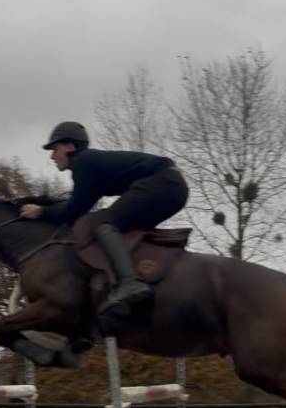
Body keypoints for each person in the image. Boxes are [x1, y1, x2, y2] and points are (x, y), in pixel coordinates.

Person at [19, 121, 188, 315]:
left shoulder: (83, 162)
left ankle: (130, 283)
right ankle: (145, 275)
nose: (52, 156)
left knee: (104, 226)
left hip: (162, 182)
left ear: (70, 147)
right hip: (173, 186)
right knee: (125, 232)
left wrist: (41, 212)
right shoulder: (91, 165)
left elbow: (74, 212)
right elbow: (77, 209)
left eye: (54, 149)